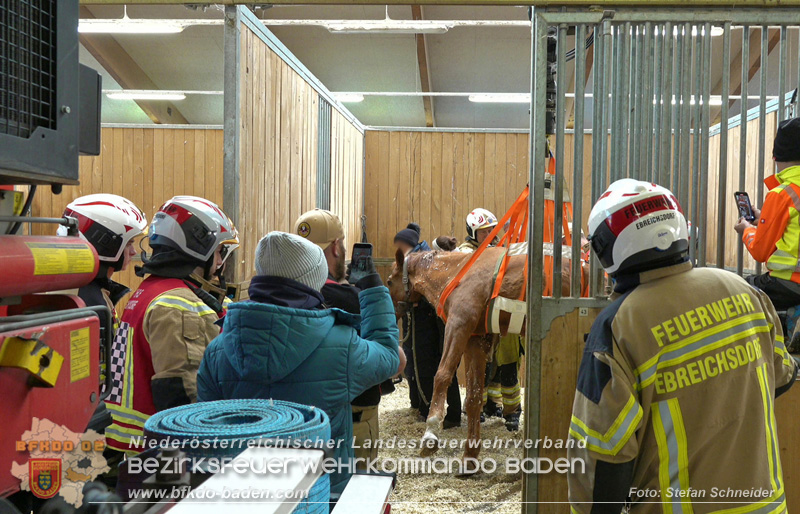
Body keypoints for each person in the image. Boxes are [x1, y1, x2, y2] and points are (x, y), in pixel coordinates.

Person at [569, 178, 796, 513]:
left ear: (606, 246)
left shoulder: (618, 326)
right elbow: (782, 377)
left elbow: (603, 455)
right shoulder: (746, 291)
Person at [197, 231, 400, 496]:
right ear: (314, 281)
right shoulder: (342, 345)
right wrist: (372, 290)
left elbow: (207, 435)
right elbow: (389, 356)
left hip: (245, 496)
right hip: (320, 495)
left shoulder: (217, 350)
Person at [104, 195, 239, 456]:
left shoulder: (151, 289)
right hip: (154, 451)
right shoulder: (179, 305)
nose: (220, 263)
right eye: (219, 251)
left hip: (129, 444)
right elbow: (184, 396)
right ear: (199, 247)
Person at [293, 208, 406, 469]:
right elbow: (395, 363)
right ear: (336, 247)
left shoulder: (284, 298)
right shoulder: (353, 301)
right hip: (352, 424)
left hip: (296, 426)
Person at [58, 194, 148, 434]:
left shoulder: (83, 288)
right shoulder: (86, 298)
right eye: (128, 243)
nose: (133, 251)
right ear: (106, 243)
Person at [395, 223, 462, 429]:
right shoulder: (426, 260)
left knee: (432, 366)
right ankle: (448, 413)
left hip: (432, 322)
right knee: (444, 366)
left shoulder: (421, 263)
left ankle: (432, 411)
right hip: (440, 321)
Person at [736, 118, 800, 313]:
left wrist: (747, 229)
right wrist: (763, 218)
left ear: (775, 157)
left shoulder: (782, 194)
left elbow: (760, 251)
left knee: (731, 293)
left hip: (789, 283)